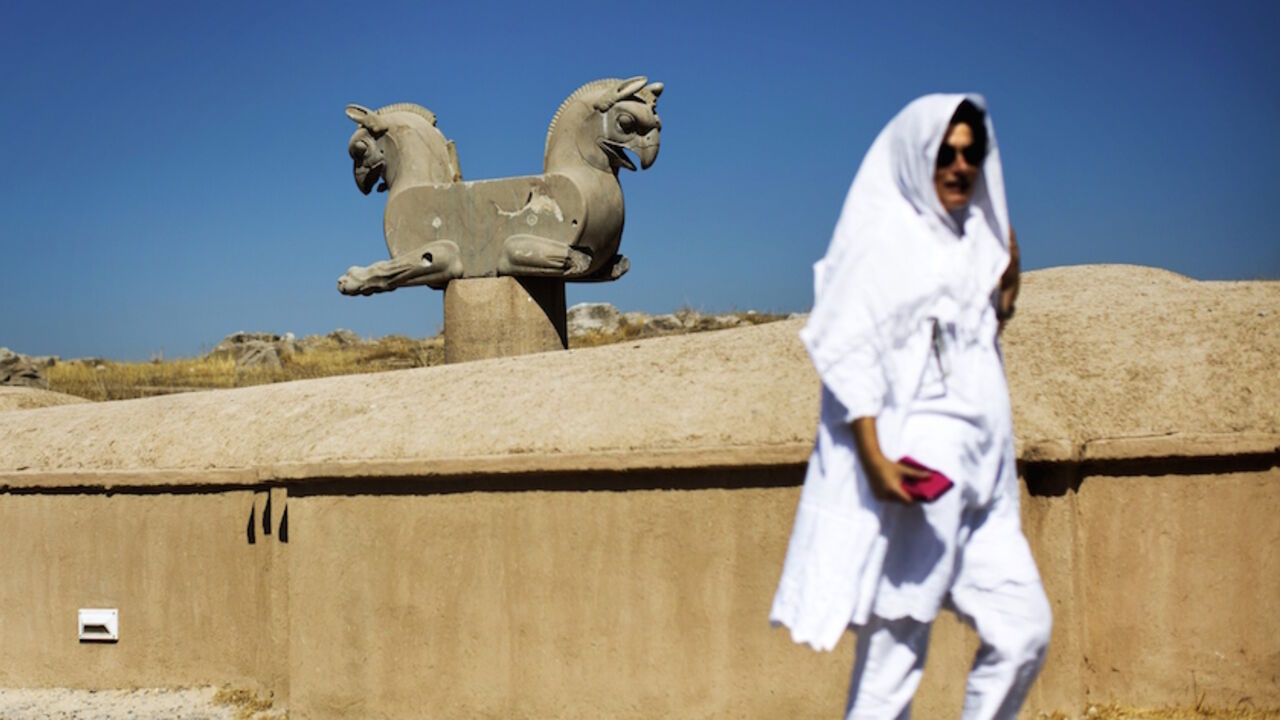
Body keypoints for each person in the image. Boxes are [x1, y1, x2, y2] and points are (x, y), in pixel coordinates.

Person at [770, 94, 1050, 719]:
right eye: (945, 153)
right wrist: (874, 459)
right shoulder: (885, 241)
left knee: (1024, 631)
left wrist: (1008, 267)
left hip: (988, 482)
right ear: (916, 158)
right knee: (893, 662)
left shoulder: (973, 238)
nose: (959, 166)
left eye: (971, 153)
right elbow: (847, 347)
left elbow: (986, 328)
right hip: (922, 476)